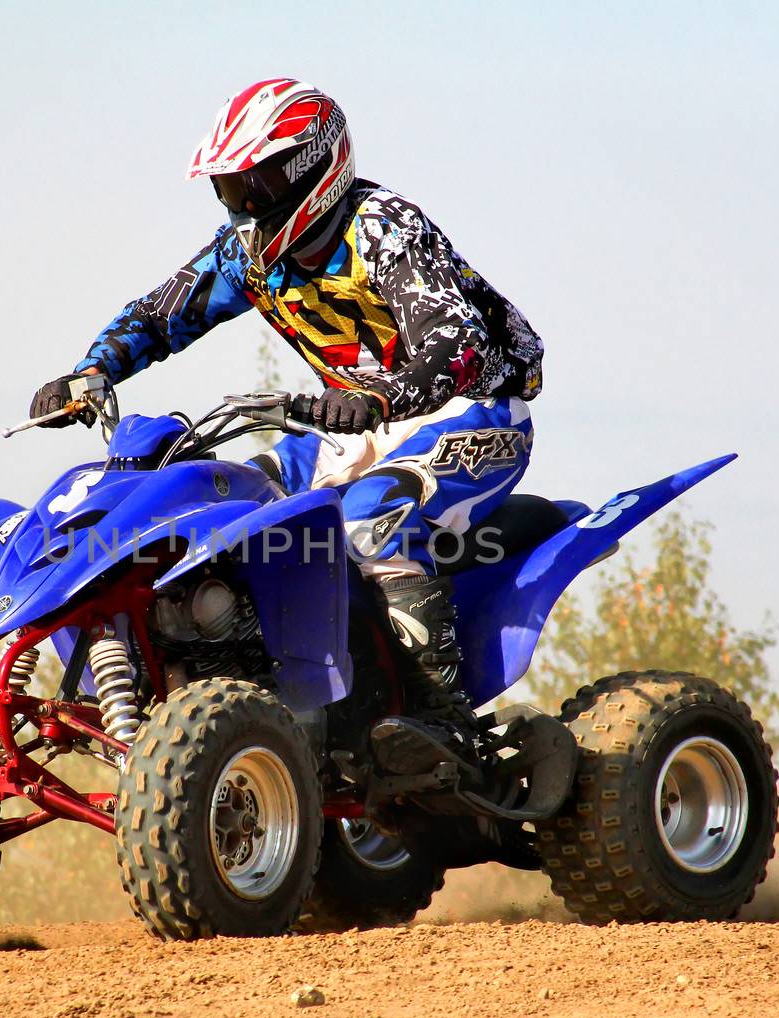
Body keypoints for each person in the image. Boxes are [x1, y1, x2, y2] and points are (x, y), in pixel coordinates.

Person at [28, 78, 544, 776]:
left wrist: (375, 397)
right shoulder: (246, 253)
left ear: (312, 169)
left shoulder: (383, 227)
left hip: (470, 410)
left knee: (370, 521)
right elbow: (159, 315)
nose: (243, 205)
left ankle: (442, 728)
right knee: (228, 505)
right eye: (230, 189)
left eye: (257, 183)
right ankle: (273, 693)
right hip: (350, 425)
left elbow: (461, 345)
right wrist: (91, 373)